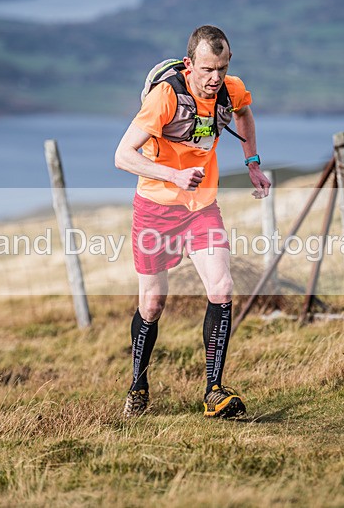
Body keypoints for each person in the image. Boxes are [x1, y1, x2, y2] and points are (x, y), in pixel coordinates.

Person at [114, 25, 270, 419]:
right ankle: (138, 386)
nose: (215, 78)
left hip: (201, 207)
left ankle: (214, 391)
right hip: (155, 207)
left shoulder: (231, 89)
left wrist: (252, 163)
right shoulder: (166, 96)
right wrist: (173, 175)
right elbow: (122, 156)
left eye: (222, 68)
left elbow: (244, 114)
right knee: (152, 303)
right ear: (189, 64)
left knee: (222, 286)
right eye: (207, 69)